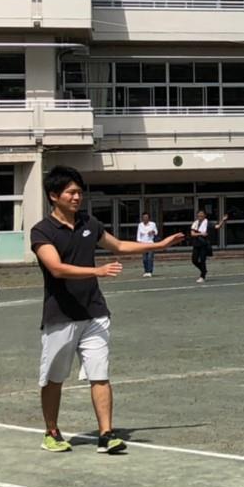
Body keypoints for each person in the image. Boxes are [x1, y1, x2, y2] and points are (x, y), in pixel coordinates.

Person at [32, 165, 185, 454]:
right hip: (61, 316)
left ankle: (106, 434)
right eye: (71, 192)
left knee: (100, 374)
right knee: (53, 378)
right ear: (54, 196)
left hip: (95, 314)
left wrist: (158, 245)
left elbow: (119, 246)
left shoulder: (89, 223)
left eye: (80, 192)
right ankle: (52, 431)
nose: (77, 197)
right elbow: (56, 268)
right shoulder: (42, 231)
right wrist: (97, 271)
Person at [189, 209, 214, 283]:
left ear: (205, 215)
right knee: (194, 260)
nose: (200, 215)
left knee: (202, 260)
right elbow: (192, 234)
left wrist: (223, 220)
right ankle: (204, 270)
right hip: (196, 244)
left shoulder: (208, 223)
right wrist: (201, 234)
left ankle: (202, 276)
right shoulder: (195, 223)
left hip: (204, 244)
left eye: (202, 214)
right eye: (199, 214)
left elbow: (217, 226)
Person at [136, 212, 159, 277]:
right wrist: (138, 242)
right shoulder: (140, 225)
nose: (145, 218)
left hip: (150, 243)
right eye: (144, 217)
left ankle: (149, 271)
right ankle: (146, 271)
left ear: (149, 218)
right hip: (143, 244)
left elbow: (156, 232)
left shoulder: (152, 224)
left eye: (146, 217)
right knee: (144, 259)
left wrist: (152, 232)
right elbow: (138, 234)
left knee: (150, 258)